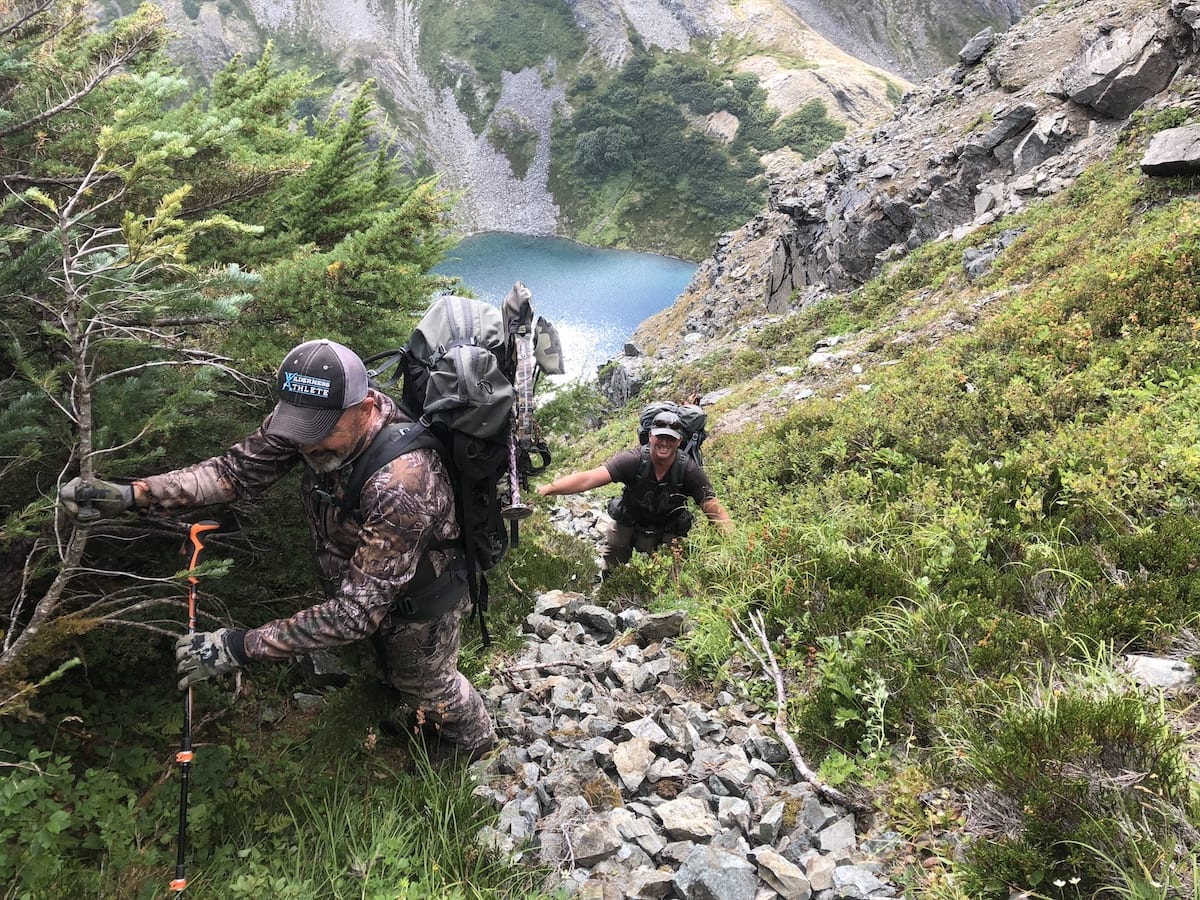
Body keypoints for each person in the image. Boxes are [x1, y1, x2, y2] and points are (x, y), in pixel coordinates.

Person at [58, 339, 496, 763]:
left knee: (427, 681)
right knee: (387, 669)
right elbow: (232, 474)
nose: (305, 446)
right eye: (299, 431)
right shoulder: (307, 420)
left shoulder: (403, 482)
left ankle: (474, 742)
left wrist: (237, 647)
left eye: (320, 433)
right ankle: (408, 707)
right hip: (366, 581)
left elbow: (353, 616)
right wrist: (132, 494)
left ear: (364, 410)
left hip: (423, 593)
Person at [537, 410, 732, 577]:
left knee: (672, 576)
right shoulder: (633, 460)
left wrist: (733, 543)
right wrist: (547, 490)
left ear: (679, 441)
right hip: (630, 524)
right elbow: (588, 479)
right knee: (612, 565)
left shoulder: (688, 470)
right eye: (660, 437)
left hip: (667, 529)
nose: (664, 443)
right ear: (650, 437)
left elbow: (712, 507)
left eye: (670, 438)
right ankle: (608, 590)